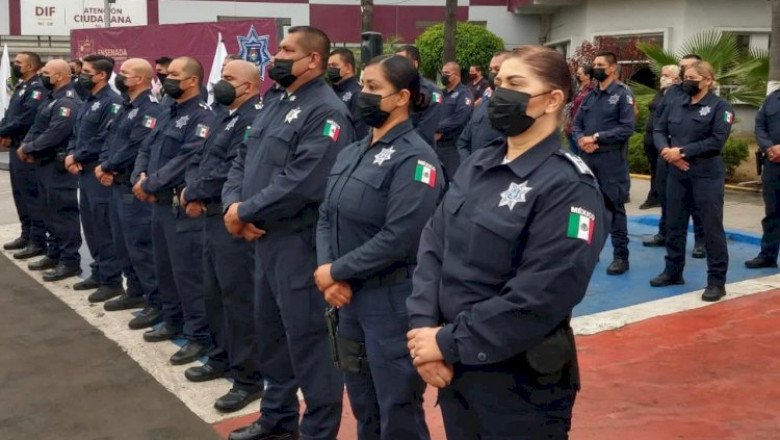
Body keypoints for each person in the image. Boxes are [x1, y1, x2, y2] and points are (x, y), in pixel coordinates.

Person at [406, 46, 609, 440]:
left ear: (552, 100)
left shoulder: (568, 185)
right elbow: (433, 245)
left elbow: (544, 293)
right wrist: (423, 331)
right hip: (456, 369)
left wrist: (446, 342)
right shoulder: (479, 162)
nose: (500, 94)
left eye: (516, 84)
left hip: (519, 385)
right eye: (499, 83)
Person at [222, 26, 354, 440]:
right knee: (272, 337)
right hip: (262, 240)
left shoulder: (327, 112)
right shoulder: (275, 102)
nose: (275, 56)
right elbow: (243, 156)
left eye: (285, 49)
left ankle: (317, 431)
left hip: (299, 244)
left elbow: (304, 181)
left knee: (311, 345)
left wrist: (245, 210)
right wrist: (232, 205)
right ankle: (277, 420)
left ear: (313, 60)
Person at [314, 54, 444, 440]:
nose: (362, 95)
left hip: (391, 303)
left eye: (373, 88)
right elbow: (326, 215)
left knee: (397, 407)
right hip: (348, 299)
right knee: (363, 403)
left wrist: (336, 271)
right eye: (362, 86)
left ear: (402, 97)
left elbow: (400, 237)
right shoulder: (353, 151)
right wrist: (329, 273)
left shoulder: (416, 160)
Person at [179, 60, 264, 413]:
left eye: (229, 78)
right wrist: (192, 190)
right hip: (210, 215)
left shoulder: (252, 119)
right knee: (213, 293)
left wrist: (194, 192)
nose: (220, 83)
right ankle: (220, 356)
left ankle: (248, 378)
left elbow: (232, 170)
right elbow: (199, 158)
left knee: (238, 300)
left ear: (249, 86)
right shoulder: (223, 116)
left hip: (231, 220)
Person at [132, 56, 215, 365]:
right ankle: (172, 320)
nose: (167, 78)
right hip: (158, 205)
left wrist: (150, 183)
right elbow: (146, 147)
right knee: (164, 268)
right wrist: (139, 176)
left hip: (181, 208)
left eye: (175, 75)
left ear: (192, 81)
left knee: (188, 274)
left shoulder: (202, 117)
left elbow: (187, 158)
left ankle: (198, 335)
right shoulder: (168, 110)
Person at [649, 61, 733, 302]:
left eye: (693, 78)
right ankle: (673, 271)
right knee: (674, 224)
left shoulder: (720, 107)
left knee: (711, 228)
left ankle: (716, 281)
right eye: (685, 77)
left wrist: (682, 152)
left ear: (708, 80)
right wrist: (667, 152)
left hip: (706, 174)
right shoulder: (676, 102)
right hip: (677, 173)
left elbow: (716, 141)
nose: (687, 82)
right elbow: (658, 129)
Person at [95, 58, 163, 324]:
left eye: (125, 73)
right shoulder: (125, 106)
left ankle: (155, 301)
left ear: (140, 79)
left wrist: (108, 166)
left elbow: (136, 146)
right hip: (115, 183)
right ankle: (134, 290)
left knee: (140, 246)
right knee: (122, 243)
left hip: (131, 186)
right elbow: (110, 139)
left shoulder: (150, 109)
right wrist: (104, 164)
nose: (119, 76)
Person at [66, 54, 125, 302]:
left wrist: (77, 156)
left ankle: (111, 280)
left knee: (103, 227)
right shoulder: (88, 100)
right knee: (90, 225)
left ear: (101, 75)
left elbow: (104, 138)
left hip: (98, 173)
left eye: (86, 72)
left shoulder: (113, 103)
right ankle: (98, 272)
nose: (81, 76)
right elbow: (77, 133)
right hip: (84, 172)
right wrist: (72, 154)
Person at [17, 59, 83, 282]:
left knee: (62, 214)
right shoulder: (52, 98)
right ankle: (54, 253)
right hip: (43, 164)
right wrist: (27, 144)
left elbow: (57, 132)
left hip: (57, 167)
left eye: (46, 73)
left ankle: (69, 261)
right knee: (48, 211)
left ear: (60, 76)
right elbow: (37, 126)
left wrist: (30, 147)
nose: (42, 76)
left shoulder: (67, 101)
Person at [572, 51, 635, 275]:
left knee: (614, 206)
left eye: (600, 64)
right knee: (582, 206)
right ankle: (582, 252)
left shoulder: (622, 94)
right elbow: (576, 123)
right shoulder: (590, 95)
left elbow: (627, 128)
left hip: (611, 160)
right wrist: (581, 139)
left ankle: (620, 256)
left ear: (612, 68)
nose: (595, 68)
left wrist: (596, 138)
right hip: (587, 157)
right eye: (594, 64)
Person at [643, 54, 707, 259]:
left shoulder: (706, 96)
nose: (684, 71)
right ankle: (664, 233)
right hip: (667, 153)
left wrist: (682, 152)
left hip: (693, 157)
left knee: (696, 201)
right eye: (682, 68)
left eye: (689, 67)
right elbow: (659, 122)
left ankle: (701, 241)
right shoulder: (672, 92)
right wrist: (665, 149)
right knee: (666, 195)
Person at [0, 51, 47, 258]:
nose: (15, 65)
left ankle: (37, 240)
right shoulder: (22, 86)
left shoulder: (37, 88)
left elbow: (27, 118)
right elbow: (10, 115)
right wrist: (4, 131)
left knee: (31, 195)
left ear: (30, 66)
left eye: (19, 62)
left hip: (26, 149)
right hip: (14, 146)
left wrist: (4, 132)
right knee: (19, 194)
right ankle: (26, 234)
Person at [746, 88, 780, 269]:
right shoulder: (772, 98)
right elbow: (759, 126)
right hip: (773, 163)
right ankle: (768, 255)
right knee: (772, 212)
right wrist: (769, 147)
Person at [457, 51, 510, 162]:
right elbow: (463, 142)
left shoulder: (517, 109)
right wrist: (469, 166)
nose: (493, 74)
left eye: (497, 69)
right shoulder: (483, 106)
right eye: (490, 69)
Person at [639, 65, 680, 210]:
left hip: (664, 138)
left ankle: (662, 197)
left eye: (667, 75)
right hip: (651, 135)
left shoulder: (678, 93)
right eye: (662, 75)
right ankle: (654, 195)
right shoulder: (661, 92)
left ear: (676, 78)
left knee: (663, 169)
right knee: (654, 169)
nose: (663, 78)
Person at [395, 45, 443, 148]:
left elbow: (426, 130)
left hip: (417, 150)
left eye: (401, 61)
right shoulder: (392, 89)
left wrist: (399, 144)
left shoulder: (433, 93)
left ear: (415, 64)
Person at [435, 61, 473, 179]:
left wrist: (437, 129)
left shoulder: (464, 94)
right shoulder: (440, 93)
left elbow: (460, 118)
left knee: (454, 180)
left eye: (446, 73)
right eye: (442, 73)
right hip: (436, 145)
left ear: (456, 75)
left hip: (453, 147)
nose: (443, 76)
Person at [328, 48, 368, 140]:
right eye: (329, 66)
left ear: (348, 68)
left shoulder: (357, 93)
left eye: (334, 65)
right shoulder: (331, 91)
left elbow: (361, 131)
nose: (330, 69)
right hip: (331, 142)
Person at [563, 65, 594, 155]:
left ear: (588, 76)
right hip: (572, 127)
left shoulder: (591, 91)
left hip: (581, 130)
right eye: (577, 74)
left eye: (580, 74)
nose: (577, 76)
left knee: (579, 155)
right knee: (573, 153)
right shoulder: (579, 88)